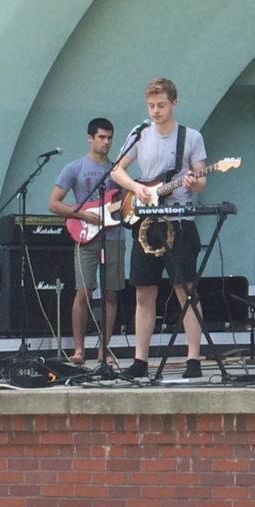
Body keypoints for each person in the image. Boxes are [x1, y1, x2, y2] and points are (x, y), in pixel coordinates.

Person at [110, 78, 207, 379]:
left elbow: (202, 180)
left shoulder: (190, 137)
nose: (156, 111)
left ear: (174, 103)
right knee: (143, 291)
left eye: (161, 105)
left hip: (178, 221)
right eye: (151, 106)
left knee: (185, 290)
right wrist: (136, 187)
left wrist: (194, 181)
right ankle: (140, 359)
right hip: (146, 221)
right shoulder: (139, 134)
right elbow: (116, 171)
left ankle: (194, 358)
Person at [48, 117, 125, 365]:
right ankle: (79, 349)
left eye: (110, 138)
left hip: (113, 235)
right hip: (85, 235)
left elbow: (125, 203)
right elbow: (54, 203)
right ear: (90, 138)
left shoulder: (117, 171)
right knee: (84, 291)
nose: (106, 142)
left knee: (111, 293)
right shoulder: (75, 168)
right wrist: (82, 214)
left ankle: (104, 349)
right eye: (101, 137)